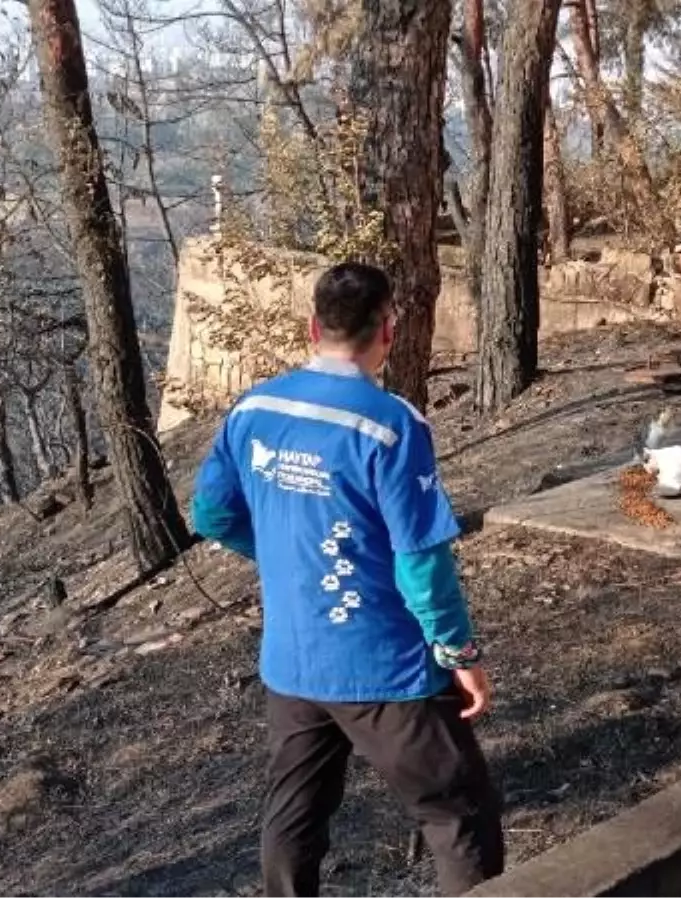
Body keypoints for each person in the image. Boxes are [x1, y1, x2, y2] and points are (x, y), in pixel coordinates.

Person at [189, 262, 504, 898]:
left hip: (291, 662)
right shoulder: (391, 426)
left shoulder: (253, 409)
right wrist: (459, 652)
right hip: (383, 666)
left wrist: (278, 555)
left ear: (313, 327)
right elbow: (421, 560)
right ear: (387, 331)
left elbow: (211, 514)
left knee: (294, 817)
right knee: (457, 814)